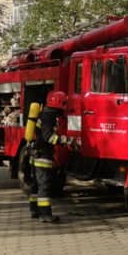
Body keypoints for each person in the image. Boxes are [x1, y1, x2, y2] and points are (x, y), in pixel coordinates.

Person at [28, 91, 73, 224]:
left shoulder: (44, 114)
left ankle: (34, 210)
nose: (64, 106)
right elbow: (48, 137)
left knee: (35, 186)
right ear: (58, 103)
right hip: (43, 156)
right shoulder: (49, 117)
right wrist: (64, 140)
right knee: (44, 186)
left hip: (35, 154)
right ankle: (45, 214)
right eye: (64, 103)